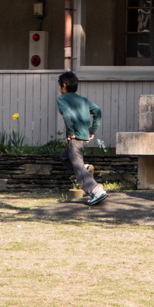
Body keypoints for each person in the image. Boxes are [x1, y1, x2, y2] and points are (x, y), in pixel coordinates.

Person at [57, 70, 107, 206]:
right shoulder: (83, 100)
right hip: (84, 137)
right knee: (64, 157)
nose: (59, 89)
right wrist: (93, 130)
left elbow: (67, 114)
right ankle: (83, 167)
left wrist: (70, 131)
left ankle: (96, 191)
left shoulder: (62, 99)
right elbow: (97, 110)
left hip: (75, 138)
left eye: (59, 86)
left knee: (78, 168)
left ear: (64, 85)